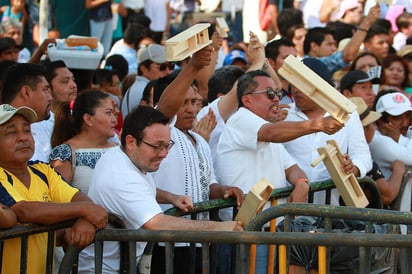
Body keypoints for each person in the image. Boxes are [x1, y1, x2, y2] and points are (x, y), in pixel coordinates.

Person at [77, 106, 243, 273]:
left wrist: (171, 197)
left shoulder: (120, 154)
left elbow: (142, 189)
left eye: (167, 145)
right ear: (131, 142)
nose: (164, 154)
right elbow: (158, 223)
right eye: (157, 146)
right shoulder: (121, 175)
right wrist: (218, 228)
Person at [215, 69, 344, 273]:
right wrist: (316, 124)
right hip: (247, 233)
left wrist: (302, 184)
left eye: (278, 93)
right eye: (269, 94)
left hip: (272, 232)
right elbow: (271, 133)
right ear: (247, 100)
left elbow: (292, 169)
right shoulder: (241, 119)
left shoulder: (269, 132)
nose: (276, 99)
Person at [0, 104, 108, 274]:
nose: (22, 138)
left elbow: (77, 197)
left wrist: (86, 218)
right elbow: (24, 211)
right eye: (11, 132)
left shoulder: (42, 170)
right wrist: (86, 210)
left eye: (27, 131)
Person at [283, 58, 372, 206]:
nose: (296, 90)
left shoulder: (348, 115)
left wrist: (354, 167)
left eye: (303, 84)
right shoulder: (283, 114)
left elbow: (362, 155)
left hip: (330, 208)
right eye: (293, 84)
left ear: (322, 87)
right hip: (287, 207)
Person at [49, 90, 118, 193]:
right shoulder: (65, 153)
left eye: (113, 113)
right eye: (108, 113)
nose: (114, 120)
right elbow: (58, 198)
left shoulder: (118, 149)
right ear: (88, 119)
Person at [349, 97, 405, 206]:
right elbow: (386, 196)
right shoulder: (361, 162)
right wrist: (399, 170)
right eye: (371, 124)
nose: (374, 128)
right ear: (360, 129)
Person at [29, 60, 77, 162]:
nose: (73, 85)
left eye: (73, 80)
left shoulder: (80, 117)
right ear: (48, 87)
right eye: (65, 81)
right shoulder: (37, 124)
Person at [121, 44, 172, 118]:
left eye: (170, 66)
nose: (168, 71)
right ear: (143, 68)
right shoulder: (143, 90)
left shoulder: (139, 87)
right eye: (162, 67)